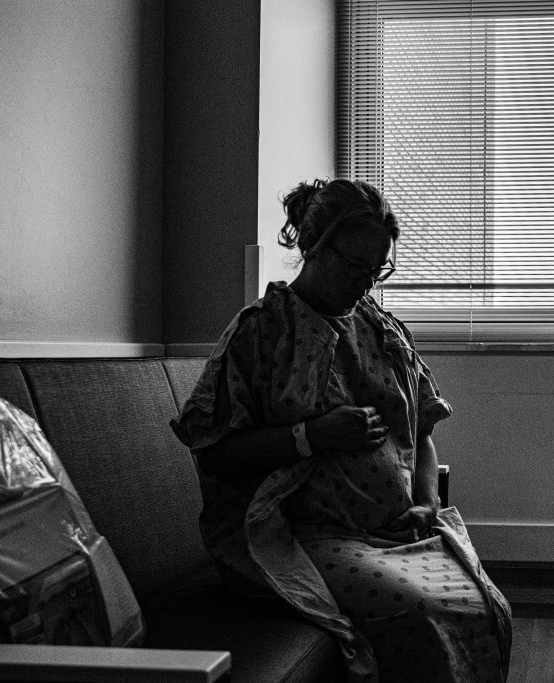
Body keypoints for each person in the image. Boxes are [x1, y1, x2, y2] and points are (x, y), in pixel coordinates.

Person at [171, 178, 511, 682]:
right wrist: (314, 435)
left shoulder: (383, 330)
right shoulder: (261, 332)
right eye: (353, 267)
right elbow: (215, 452)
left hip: (396, 530)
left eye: (377, 271)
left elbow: (420, 427)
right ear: (311, 246)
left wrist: (426, 502)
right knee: (417, 608)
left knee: (487, 604)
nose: (364, 284)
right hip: (302, 535)